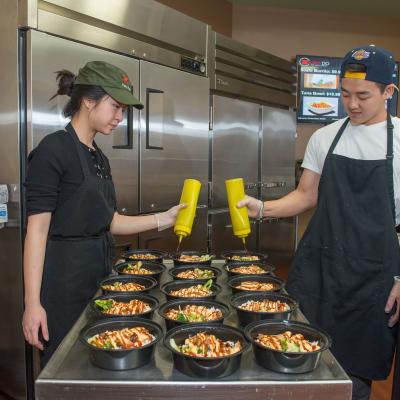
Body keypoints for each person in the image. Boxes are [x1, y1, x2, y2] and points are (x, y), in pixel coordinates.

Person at [238, 45, 400, 400]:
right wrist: (262, 208)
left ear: (389, 92)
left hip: (376, 276)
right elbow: (306, 195)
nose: (352, 104)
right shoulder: (326, 136)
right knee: (297, 354)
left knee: (355, 373)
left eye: (362, 95)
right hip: (322, 268)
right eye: (344, 94)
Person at [22, 61, 185, 367]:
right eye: (115, 106)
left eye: (123, 109)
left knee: (98, 365)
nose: (120, 117)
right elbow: (37, 231)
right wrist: (32, 303)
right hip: (64, 285)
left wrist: (165, 218)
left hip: (99, 278)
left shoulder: (99, 156)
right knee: (67, 368)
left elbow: (108, 221)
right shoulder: (53, 150)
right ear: (87, 100)